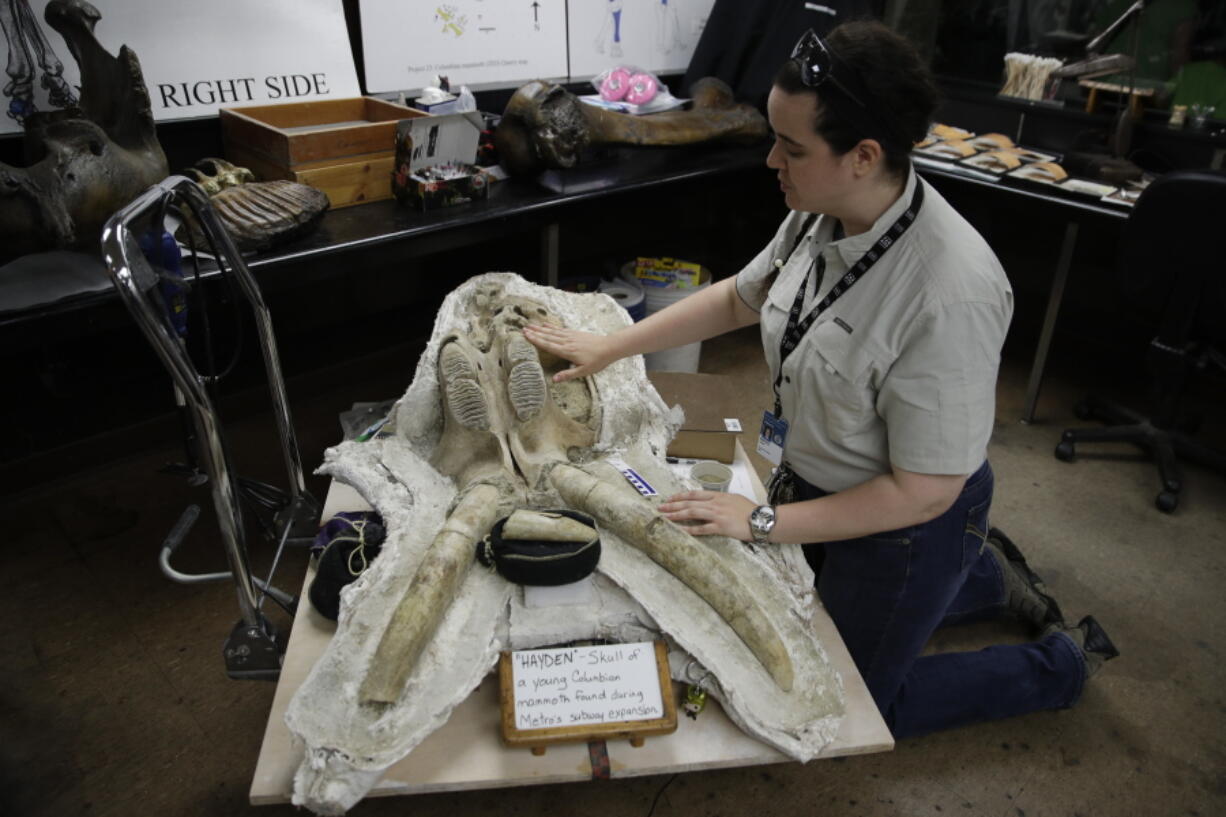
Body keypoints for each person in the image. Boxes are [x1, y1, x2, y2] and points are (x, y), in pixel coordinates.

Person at [525, 20, 1118, 738]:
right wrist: (612, 345)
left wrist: (762, 521)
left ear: (864, 156)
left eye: (792, 147)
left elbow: (922, 488)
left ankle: (1058, 665)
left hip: (908, 521)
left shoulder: (949, 291)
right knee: (804, 611)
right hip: (818, 482)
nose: (771, 158)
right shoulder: (821, 212)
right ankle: (985, 576)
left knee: (853, 704)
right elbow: (742, 296)